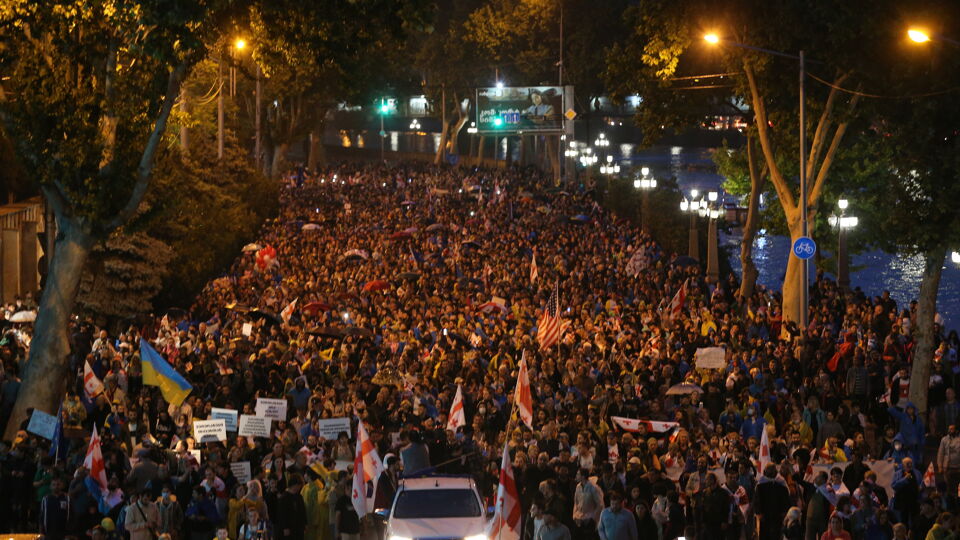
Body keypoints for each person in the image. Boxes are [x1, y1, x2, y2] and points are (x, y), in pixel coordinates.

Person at [754, 464, 790, 540]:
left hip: (777, 515)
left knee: (776, 535)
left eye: (772, 470)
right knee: (764, 535)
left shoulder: (781, 483)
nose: (771, 471)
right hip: (765, 515)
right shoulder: (760, 484)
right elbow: (757, 500)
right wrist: (759, 513)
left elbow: (785, 499)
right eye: (769, 469)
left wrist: (784, 512)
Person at [572, 467, 603, 539]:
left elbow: (600, 504)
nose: (576, 476)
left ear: (583, 476)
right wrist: (575, 515)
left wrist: (592, 518)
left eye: (578, 474)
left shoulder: (594, 488)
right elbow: (576, 502)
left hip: (589, 521)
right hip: (579, 519)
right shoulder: (578, 487)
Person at [275, 474, 307, 540]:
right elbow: (282, 514)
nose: (299, 488)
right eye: (297, 485)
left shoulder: (299, 497)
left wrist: (305, 524)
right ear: (293, 484)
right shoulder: (284, 497)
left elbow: (303, 511)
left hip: (298, 527)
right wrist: (285, 527)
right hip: (289, 527)